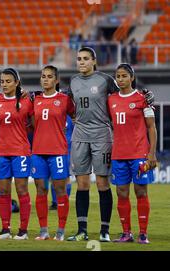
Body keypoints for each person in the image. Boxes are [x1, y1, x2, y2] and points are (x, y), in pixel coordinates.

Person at [66, 47, 154, 242]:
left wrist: (147, 96)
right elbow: (66, 102)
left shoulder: (106, 80)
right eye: (79, 59)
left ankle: (105, 231)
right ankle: (82, 231)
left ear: (94, 61)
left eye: (85, 59)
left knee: (102, 182)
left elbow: (126, 93)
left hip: (102, 136)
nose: (81, 62)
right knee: (81, 184)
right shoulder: (73, 81)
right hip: (80, 135)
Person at [108, 63, 156, 244]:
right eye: (118, 76)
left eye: (124, 76)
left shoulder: (142, 99)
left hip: (139, 154)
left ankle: (143, 234)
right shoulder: (111, 99)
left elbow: (152, 128)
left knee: (141, 192)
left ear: (132, 78)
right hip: (119, 154)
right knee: (121, 193)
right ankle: (126, 233)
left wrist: (152, 154)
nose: (120, 79)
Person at [32, 65, 75, 241]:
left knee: (59, 190)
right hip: (38, 152)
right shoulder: (34, 99)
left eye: (49, 77)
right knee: (41, 190)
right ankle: (43, 231)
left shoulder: (65, 100)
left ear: (56, 80)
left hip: (58, 151)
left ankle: (61, 230)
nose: (45, 79)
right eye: (43, 76)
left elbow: (78, 117)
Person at [0, 68, 33, 240]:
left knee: (22, 189)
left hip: (20, 151)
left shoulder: (26, 101)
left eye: (8, 81)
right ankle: (6, 229)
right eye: (2, 81)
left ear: (16, 82)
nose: (4, 84)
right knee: (3, 191)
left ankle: (23, 230)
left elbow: (32, 123)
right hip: (1, 152)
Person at [50, 115, 73, 210]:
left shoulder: (69, 119)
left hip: (66, 150)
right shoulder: (54, 116)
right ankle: (55, 202)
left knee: (66, 176)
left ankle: (63, 201)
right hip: (54, 148)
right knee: (54, 176)